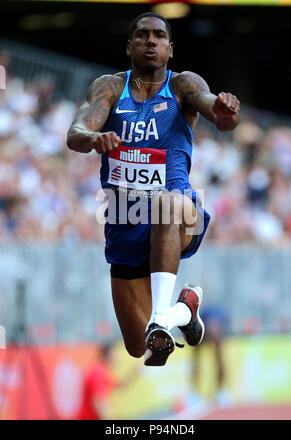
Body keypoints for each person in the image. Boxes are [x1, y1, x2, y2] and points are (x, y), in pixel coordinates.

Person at [67, 12, 240, 367]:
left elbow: (212, 106)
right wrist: (93, 137)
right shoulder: (110, 88)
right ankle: (181, 313)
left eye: (159, 36)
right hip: (124, 222)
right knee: (137, 346)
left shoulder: (182, 86)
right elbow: (76, 132)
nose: (151, 40)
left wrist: (224, 113)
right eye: (143, 35)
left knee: (167, 203)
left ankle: (162, 318)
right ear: (129, 46)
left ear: (170, 48)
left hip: (179, 214)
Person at [77, 342, 138, 420]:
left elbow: (121, 385)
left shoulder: (104, 370)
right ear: (109, 354)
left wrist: (135, 371)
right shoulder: (98, 372)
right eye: (117, 352)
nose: (119, 356)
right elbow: (100, 402)